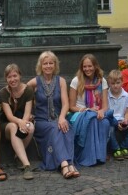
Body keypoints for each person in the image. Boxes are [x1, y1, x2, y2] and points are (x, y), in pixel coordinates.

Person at [27, 51, 78, 179]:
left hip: (58, 119)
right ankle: (66, 164)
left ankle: (68, 164)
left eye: (51, 63)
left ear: (55, 65)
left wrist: (61, 117)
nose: (48, 66)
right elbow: (22, 95)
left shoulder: (61, 81)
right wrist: (29, 113)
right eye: (45, 63)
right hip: (42, 121)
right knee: (56, 128)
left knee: (66, 129)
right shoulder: (34, 82)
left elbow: (66, 104)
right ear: (41, 65)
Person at [68, 54, 112, 166]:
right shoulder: (76, 81)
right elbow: (71, 106)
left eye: (90, 66)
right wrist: (88, 110)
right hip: (80, 112)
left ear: (95, 66)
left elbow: (106, 106)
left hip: (98, 112)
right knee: (92, 119)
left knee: (105, 122)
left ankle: (99, 155)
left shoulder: (102, 81)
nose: (87, 69)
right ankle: (89, 157)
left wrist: (101, 111)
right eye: (85, 66)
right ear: (81, 68)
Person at [0, 64, 35, 180]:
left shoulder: (28, 90)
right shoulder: (4, 92)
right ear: (6, 79)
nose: (12, 79)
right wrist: (20, 123)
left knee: (31, 127)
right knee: (14, 127)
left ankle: (18, 156)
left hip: (21, 120)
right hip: (7, 124)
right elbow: (9, 116)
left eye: (15, 76)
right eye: (9, 77)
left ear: (20, 76)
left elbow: (27, 113)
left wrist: (24, 123)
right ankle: (26, 165)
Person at [106, 69, 128, 161]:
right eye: (112, 83)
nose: (115, 86)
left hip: (122, 119)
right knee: (110, 130)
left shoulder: (126, 95)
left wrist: (126, 120)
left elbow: (127, 112)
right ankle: (116, 149)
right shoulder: (106, 95)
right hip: (111, 121)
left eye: (117, 83)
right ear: (109, 83)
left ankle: (124, 146)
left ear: (122, 82)